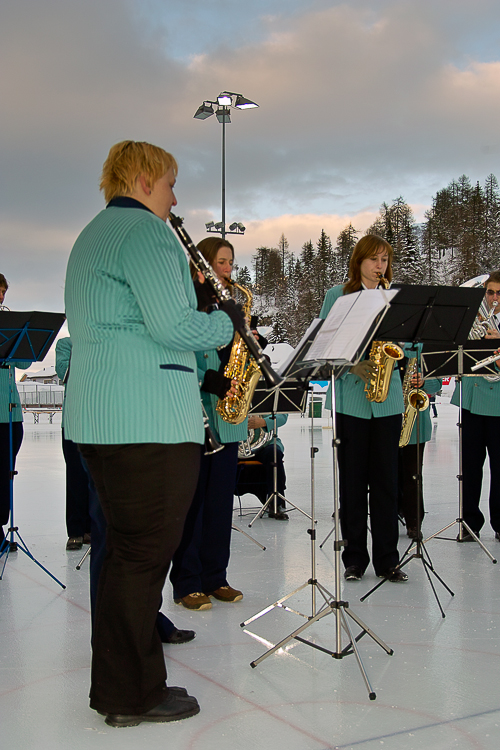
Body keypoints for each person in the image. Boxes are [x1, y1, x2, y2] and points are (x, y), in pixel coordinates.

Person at [63, 140, 241, 728]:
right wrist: (223, 322)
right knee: (141, 558)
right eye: (169, 183)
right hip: (148, 423)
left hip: (103, 419)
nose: (173, 196)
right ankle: (131, 693)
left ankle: (123, 685)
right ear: (141, 179)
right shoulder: (146, 234)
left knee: (123, 555)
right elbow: (171, 324)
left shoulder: (95, 233)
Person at [56, 337, 194, 644]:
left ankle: (146, 622)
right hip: (105, 426)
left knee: (135, 540)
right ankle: (115, 640)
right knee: (112, 539)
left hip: (133, 424)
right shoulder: (86, 337)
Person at [319, 235, 407, 583]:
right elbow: (324, 344)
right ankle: (354, 559)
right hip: (352, 399)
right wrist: (351, 365)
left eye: (384, 259)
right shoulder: (337, 296)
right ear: (359, 262)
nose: (379, 266)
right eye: (373, 259)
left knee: (387, 483)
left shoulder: (396, 298)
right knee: (353, 483)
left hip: (388, 401)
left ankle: (388, 560)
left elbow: (410, 343)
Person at [170, 237, 248, 611]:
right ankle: (187, 581)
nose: (227, 269)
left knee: (219, 504)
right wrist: (210, 379)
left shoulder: (233, 305)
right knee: (193, 504)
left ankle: (216, 577)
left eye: (230, 262)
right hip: (197, 413)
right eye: (220, 261)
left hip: (229, 417)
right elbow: (180, 351)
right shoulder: (189, 301)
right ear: (203, 265)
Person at [451, 271, 500, 543]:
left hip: (499, 403)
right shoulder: (472, 320)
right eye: (489, 292)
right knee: (470, 466)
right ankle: (470, 523)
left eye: (498, 293)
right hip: (472, 400)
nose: (493, 298)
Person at [398, 346, 442, 539]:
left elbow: (437, 384)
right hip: (386, 418)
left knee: (413, 476)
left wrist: (424, 381)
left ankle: (414, 522)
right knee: (385, 475)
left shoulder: (425, 348)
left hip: (415, 423)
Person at [0, 275, 29, 552]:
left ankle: (1, 525)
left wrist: (19, 335)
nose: (0, 297)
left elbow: (24, 359)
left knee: (6, 473)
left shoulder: (6, 324)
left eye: (3, 293)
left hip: (11, 415)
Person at [55, 337, 92, 551]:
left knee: (95, 476)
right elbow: (63, 372)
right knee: (76, 475)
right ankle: (76, 530)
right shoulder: (66, 344)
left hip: (97, 418)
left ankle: (92, 528)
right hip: (73, 420)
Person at [236, 413, 289, 520]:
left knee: (274, 453)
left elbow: (283, 416)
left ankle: (275, 503)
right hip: (237, 444)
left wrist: (264, 422)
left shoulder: (270, 396)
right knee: (222, 456)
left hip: (266, 443)